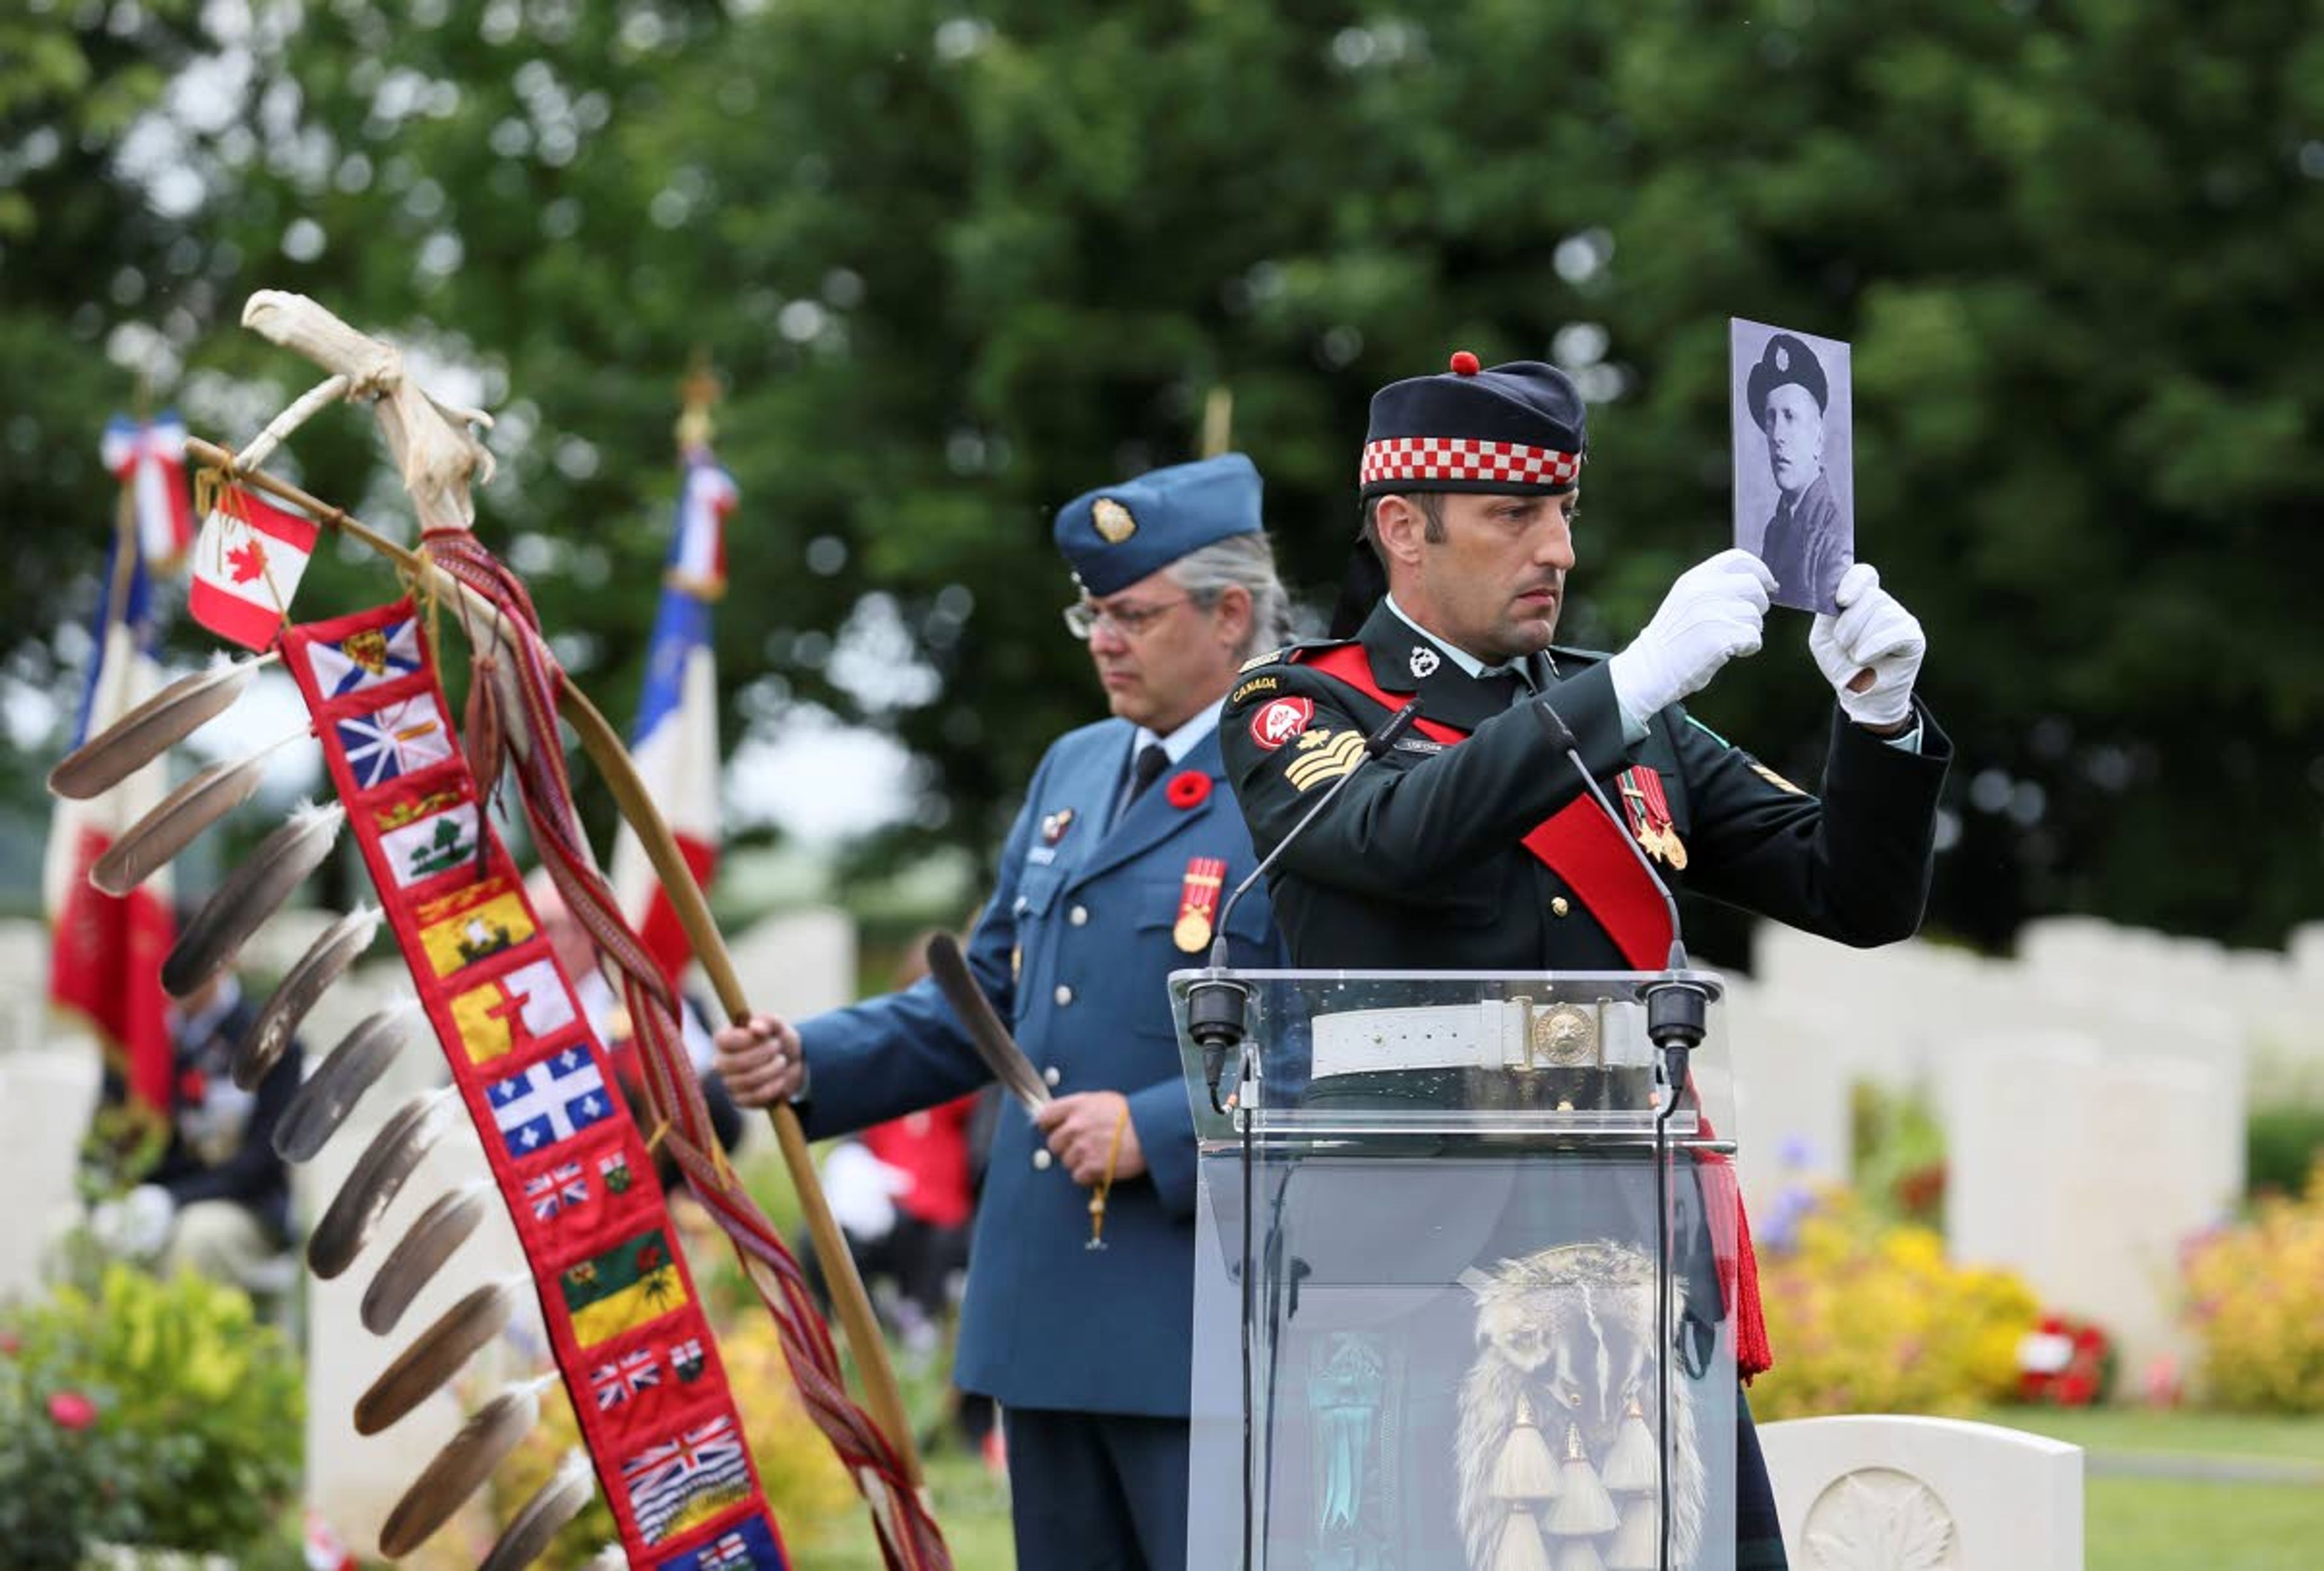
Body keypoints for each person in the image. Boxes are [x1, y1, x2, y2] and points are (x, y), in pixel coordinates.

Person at [1219, 353, 1948, 1570]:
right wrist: (1630, 682)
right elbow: (1395, 839)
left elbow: (1852, 891)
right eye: (1514, 514)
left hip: (1627, 1260)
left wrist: (1878, 719)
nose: (1555, 548)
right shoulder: (1300, 708)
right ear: (1404, 527)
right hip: (1404, 1273)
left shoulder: (1631, 713)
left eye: (1563, 511)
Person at [715, 453, 1294, 1571]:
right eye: (1090, 614)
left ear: (1232, 615)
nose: (1103, 641)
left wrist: (1164, 1126)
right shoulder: (1076, 767)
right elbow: (983, 1002)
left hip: (1200, 1324)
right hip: (1049, 1314)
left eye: (1132, 613)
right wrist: (804, 1060)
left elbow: (1351, 1039)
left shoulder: (1305, 780)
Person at [527, 868, 745, 1194]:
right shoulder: (505, 1017)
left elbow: (724, 1121)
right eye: (547, 927)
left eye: (576, 928)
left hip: (648, 1200)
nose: (564, 942)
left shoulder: (646, 1001)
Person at [90, 964, 301, 1294]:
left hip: (240, 1205)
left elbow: (263, 1160)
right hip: (143, 1198)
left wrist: (172, 1199)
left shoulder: (269, 1039)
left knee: (195, 1239)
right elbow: (102, 1137)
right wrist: (103, 1198)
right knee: (72, 1232)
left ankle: (174, 1347)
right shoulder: (135, 1038)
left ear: (225, 958)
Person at [1748, 331, 1850, 611]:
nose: (1777, 435)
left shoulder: (1833, 536)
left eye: (1790, 417)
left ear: (1818, 435)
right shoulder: (1777, 528)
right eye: (1771, 419)